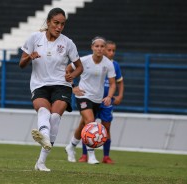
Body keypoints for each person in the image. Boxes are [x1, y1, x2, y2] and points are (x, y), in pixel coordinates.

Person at [19, 7, 83, 172]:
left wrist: (72, 75)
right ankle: (45, 141)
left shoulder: (67, 43)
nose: (59, 27)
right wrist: (29, 57)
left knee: (54, 117)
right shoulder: (34, 38)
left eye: (62, 24)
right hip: (39, 84)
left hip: (61, 84)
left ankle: (41, 161)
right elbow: (21, 64)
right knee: (43, 111)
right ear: (48, 22)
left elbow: (79, 67)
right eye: (56, 23)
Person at [65, 36, 116, 164]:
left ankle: (71, 146)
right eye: (97, 46)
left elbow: (113, 83)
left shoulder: (108, 64)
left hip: (97, 99)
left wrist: (109, 96)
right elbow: (67, 69)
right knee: (91, 122)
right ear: (92, 47)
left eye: (102, 46)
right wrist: (73, 87)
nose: (99, 49)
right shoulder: (84, 60)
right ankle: (91, 155)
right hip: (83, 95)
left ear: (104, 49)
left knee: (83, 124)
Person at [77, 40, 124, 164]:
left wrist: (119, 96)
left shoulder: (114, 65)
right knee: (88, 126)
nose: (111, 52)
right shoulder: (92, 63)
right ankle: (84, 155)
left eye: (113, 50)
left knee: (106, 127)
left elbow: (119, 82)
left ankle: (106, 156)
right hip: (92, 98)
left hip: (107, 101)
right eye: (109, 49)